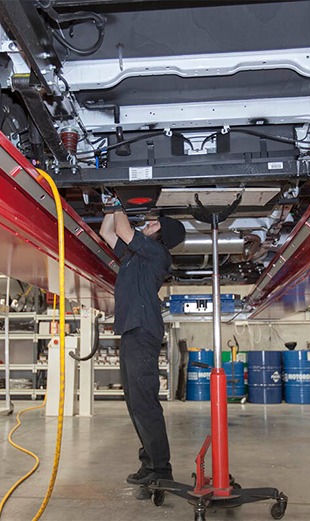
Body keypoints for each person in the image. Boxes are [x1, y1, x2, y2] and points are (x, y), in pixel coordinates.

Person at [99, 201, 186, 485]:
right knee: (135, 402)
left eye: (153, 225)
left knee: (144, 402)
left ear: (161, 235)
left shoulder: (157, 253)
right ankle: (149, 462)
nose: (147, 225)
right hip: (131, 330)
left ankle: (161, 468)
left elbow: (124, 229)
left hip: (142, 330)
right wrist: (108, 206)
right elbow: (108, 231)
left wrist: (118, 200)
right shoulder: (137, 254)